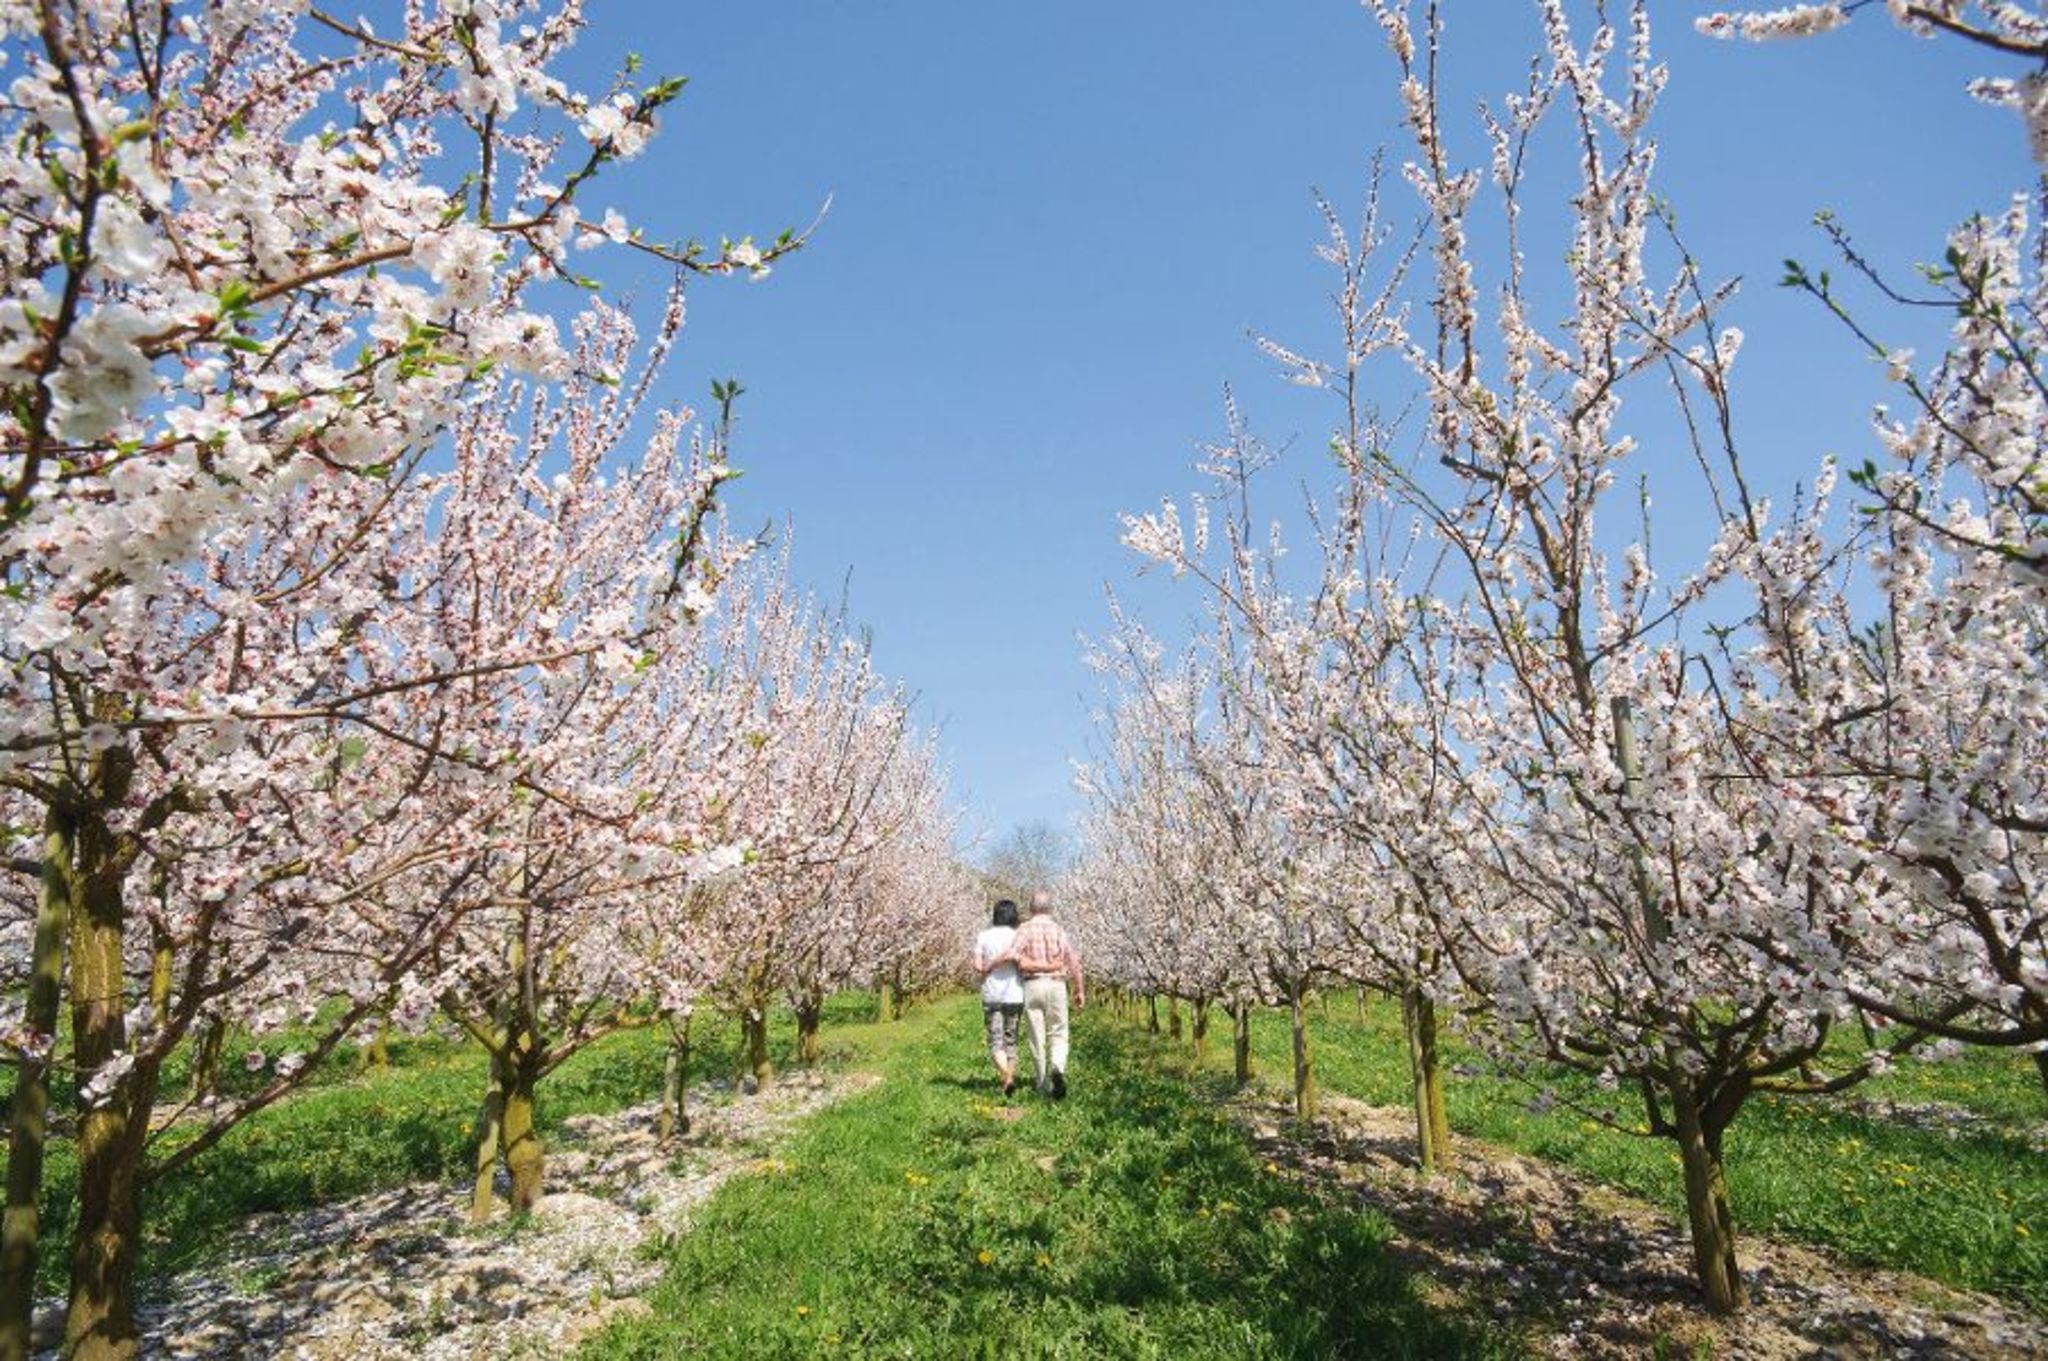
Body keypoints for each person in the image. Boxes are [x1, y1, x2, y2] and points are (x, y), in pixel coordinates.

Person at [1010, 890, 1086, 1098]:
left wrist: (1031, 964)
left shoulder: (1024, 929)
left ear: (1031, 908)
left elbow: (1013, 955)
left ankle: (1043, 1084)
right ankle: (1058, 1068)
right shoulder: (1058, 929)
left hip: (1032, 985)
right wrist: (1079, 989)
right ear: (1050, 908)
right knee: (1059, 1031)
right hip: (1056, 984)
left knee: (1036, 1035)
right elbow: (1072, 960)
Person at [972, 898, 1025, 1096]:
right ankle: (1008, 1080)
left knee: (996, 1041)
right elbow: (1024, 964)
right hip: (1015, 993)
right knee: (1011, 1040)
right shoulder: (1018, 937)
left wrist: (989, 966)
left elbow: (978, 967)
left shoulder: (983, 936)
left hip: (991, 993)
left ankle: (1006, 1078)